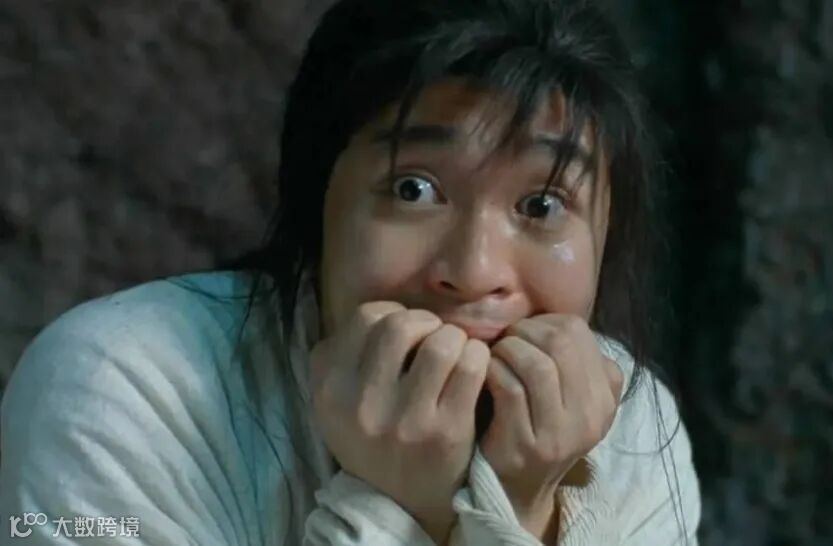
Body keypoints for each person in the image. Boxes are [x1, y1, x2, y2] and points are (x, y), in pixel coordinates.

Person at [0, 0, 702, 544]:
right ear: (317, 203)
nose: (475, 271)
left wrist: (526, 507)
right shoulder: (119, 393)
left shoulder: (632, 432)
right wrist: (398, 506)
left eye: (541, 205)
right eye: (414, 189)